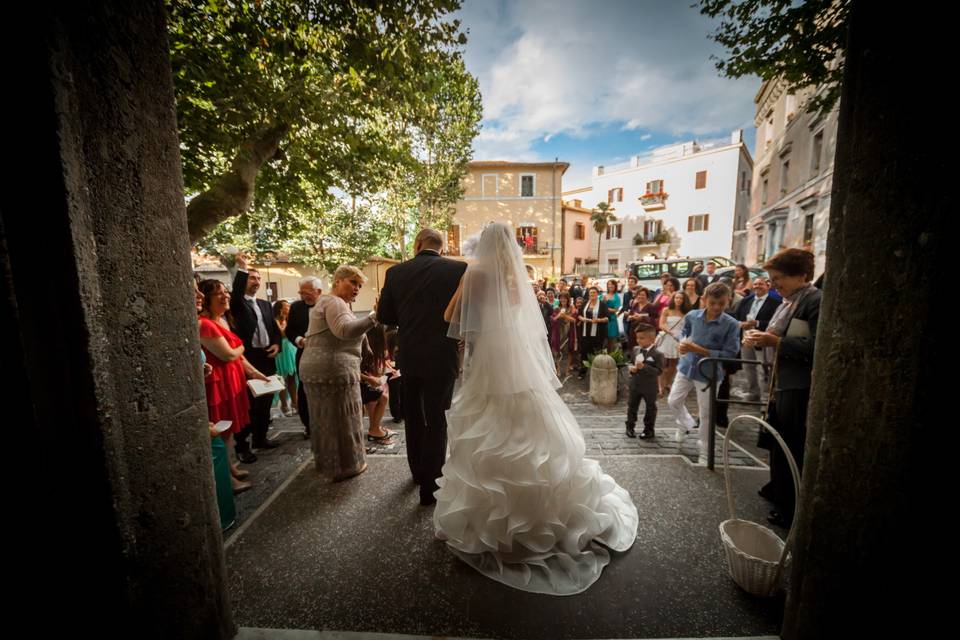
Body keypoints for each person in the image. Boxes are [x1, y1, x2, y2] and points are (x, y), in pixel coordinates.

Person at [433, 222, 638, 596]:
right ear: (511, 246)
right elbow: (514, 318)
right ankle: (542, 514)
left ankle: (493, 520)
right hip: (515, 356)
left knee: (487, 425)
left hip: (485, 362)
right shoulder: (515, 277)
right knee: (527, 421)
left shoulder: (473, 273)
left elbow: (451, 318)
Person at [376, 228, 467, 506]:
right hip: (443, 354)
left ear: (417, 244)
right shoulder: (458, 269)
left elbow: (386, 316)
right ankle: (431, 486)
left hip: (411, 354)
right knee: (437, 418)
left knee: (413, 415)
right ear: (442, 247)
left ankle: (417, 472)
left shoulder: (396, 272)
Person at [744, 249, 821, 528]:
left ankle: (789, 507)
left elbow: (815, 346)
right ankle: (778, 488)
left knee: (790, 443)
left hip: (798, 386)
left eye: (778, 279)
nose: (774, 285)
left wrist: (774, 342)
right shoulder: (788, 302)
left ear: (801, 275)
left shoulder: (814, 301)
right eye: (772, 279)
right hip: (780, 382)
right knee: (776, 439)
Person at [299, 265, 378, 481]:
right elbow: (344, 331)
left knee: (326, 418)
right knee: (341, 418)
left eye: (359, 285)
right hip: (332, 371)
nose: (357, 288)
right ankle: (346, 467)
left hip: (320, 369)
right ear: (337, 281)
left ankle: (329, 465)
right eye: (352, 282)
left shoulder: (326, 302)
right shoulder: (334, 302)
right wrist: (374, 316)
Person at [197, 279, 268, 490]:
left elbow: (237, 357)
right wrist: (242, 348)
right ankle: (227, 479)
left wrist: (255, 373)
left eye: (226, 292)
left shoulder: (222, 320)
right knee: (221, 430)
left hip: (232, 379)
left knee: (228, 429)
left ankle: (230, 468)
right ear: (206, 298)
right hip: (218, 383)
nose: (226, 296)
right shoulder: (204, 324)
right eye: (218, 294)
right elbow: (228, 354)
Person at [667, 282, 741, 464]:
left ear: (728, 302)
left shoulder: (731, 324)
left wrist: (700, 350)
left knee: (707, 413)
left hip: (709, 373)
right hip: (686, 366)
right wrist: (683, 345)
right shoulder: (692, 316)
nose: (716, 307)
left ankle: (705, 449)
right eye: (712, 303)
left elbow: (731, 354)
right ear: (704, 300)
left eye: (721, 304)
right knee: (673, 400)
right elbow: (685, 333)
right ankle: (685, 424)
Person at [231, 254, 281, 459]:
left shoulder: (265, 304)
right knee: (249, 404)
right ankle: (242, 446)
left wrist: (277, 344)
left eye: (259, 279)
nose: (257, 282)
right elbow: (235, 293)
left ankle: (261, 438)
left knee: (265, 402)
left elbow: (274, 328)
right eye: (252, 278)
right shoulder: (237, 303)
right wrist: (242, 269)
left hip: (266, 358)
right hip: (248, 359)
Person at [733, 277, 781, 402]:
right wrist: (741, 324)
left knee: (763, 368)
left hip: (763, 339)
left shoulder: (775, 302)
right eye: (755, 284)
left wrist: (758, 323)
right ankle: (752, 392)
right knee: (748, 367)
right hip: (747, 338)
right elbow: (737, 317)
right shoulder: (746, 301)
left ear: (767, 286)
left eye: (761, 284)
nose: (757, 286)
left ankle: (766, 395)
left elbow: (776, 323)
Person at [286, 276, 321, 437]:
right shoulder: (296, 307)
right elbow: (289, 330)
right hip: (304, 354)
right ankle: (308, 424)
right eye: (301, 292)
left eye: (306, 292)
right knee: (305, 389)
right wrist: (299, 340)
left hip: (325, 356)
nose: (303, 295)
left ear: (318, 291)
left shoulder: (329, 305)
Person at [625, 324, 665, 439]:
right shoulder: (635, 349)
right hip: (635, 384)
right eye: (637, 338)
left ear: (652, 339)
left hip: (650, 387)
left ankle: (648, 430)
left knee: (650, 408)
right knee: (632, 406)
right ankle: (629, 427)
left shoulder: (658, 354)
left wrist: (644, 367)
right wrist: (631, 368)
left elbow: (659, 371)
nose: (638, 341)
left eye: (642, 338)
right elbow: (630, 362)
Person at [360, 324, 396, 444]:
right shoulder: (364, 347)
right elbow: (354, 370)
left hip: (366, 381)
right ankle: (374, 429)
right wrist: (370, 379)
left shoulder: (372, 347)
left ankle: (375, 428)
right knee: (378, 400)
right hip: (360, 383)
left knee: (379, 398)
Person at [656, 291, 690, 398]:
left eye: (681, 298)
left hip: (678, 339)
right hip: (667, 338)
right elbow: (661, 324)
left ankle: (668, 383)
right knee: (662, 363)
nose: (679, 300)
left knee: (673, 364)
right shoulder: (666, 310)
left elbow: (687, 327)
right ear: (673, 299)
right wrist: (671, 332)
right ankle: (660, 387)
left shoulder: (686, 313)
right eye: (677, 298)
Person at [272, 300, 299, 416]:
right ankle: (284, 404)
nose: (289, 308)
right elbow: (283, 334)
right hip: (280, 351)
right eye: (287, 306)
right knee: (281, 379)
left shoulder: (290, 320)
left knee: (292, 378)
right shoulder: (274, 321)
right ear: (280, 309)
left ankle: (295, 403)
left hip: (291, 349)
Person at [577, 286, 607, 379]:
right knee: (584, 352)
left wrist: (598, 320)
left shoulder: (602, 304)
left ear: (597, 294)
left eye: (594, 292)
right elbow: (579, 315)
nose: (592, 294)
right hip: (585, 332)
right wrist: (583, 319)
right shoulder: (585, 303)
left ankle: (597, 372)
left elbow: (607, 318)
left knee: (596, 351)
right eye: (591, 293)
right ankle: (583, 372)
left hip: (598, 333)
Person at [550, 291, 579, 377]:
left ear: (568, 299)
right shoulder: (556, 308)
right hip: (558, 332)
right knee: (557, 350)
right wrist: (559, 315)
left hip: (569, 332)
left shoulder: (572, 308)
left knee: (569, 351)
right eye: (561, 298)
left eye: (565, 298)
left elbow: (574, 320)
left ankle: (567, 371)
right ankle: (558, 369)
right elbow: (553, 319)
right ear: (559, 299)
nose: (563, 299)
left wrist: (565, 316)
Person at [602, 279, 622, 351]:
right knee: (603, 339)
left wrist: (606, 307)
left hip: (612, 319)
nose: (610, 286)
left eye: (612, 284)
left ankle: (611, 356)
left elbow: (616, 310)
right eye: (609, 284)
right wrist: (603, 302)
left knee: (611, 340)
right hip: (603, 319)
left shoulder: (617, 297)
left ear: (615, 286)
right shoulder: (603, 295)